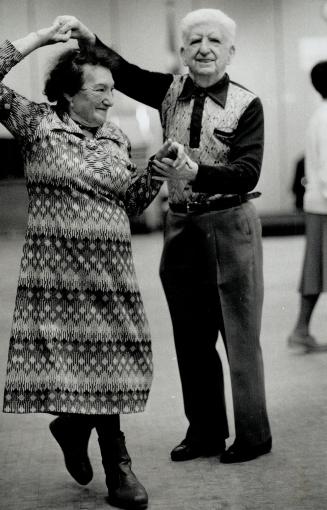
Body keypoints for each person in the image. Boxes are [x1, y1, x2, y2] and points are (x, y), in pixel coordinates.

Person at [57, 7, 272, 464]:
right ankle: (206, 432)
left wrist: (194, 170)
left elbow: (246, 171)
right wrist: (88, 38)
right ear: (182, 52)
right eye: (195, 41)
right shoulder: (170, 91)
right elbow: (124, 72)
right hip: (180, 227)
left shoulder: (247, 104)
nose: (204, 49)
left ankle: (254, 436)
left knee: (239, 338)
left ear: (231, 51)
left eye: (215, 41)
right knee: (191, 338)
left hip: (230, 223)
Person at [0, 18, 173, 510]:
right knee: (92, 369)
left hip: (111, 274)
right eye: (100, 89)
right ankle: (119, 465)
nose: (110, 98)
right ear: (68, 95)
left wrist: (156, 169)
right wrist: (36, 40)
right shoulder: (37, 125)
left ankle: (73, 428)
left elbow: (130, 203)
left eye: (112, 90)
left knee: (110, 366)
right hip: (56, 277)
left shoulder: (116, 138)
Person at [288, 62, 327, 352]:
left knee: (314, 270)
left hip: (319, 204)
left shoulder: (320, 115)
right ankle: (300, 330)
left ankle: (301, 330)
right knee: (315, 270)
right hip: (324, 204)